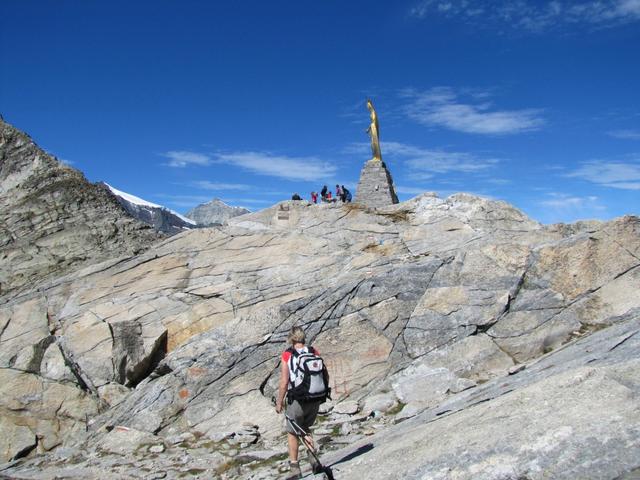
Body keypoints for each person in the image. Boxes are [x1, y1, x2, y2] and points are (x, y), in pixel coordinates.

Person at [276, 326, 328, 479]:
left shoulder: (287, 355)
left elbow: (284, 381)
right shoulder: (313, 352)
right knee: (305, 427)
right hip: (315, 397)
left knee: (292, 432)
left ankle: (294, 468)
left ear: (291, 339)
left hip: (297, 399)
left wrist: (279, 402)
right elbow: (325, 373)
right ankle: (313, 459)